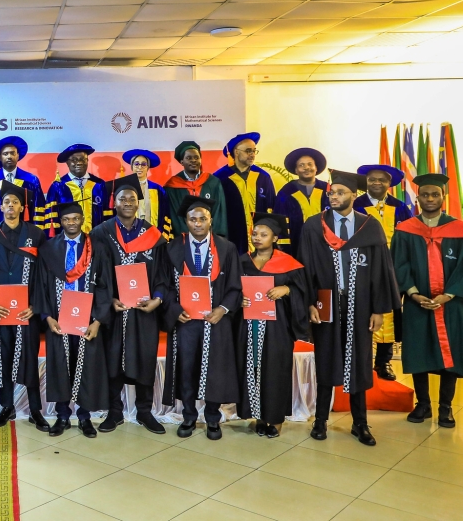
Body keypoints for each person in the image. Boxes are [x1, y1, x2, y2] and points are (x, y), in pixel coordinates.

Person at [298, 170, 399, 446]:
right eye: (331, 192)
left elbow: (381, 270)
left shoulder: (370, 226)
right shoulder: (313, 226)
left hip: (361, 304)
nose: (334, 197)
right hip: (326, 302)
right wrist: (308, 303)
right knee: (326, 357)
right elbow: (304, 268)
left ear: (354, 196)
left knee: (360, 360)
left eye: (340, 192)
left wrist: (378, 309)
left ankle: (360, 423)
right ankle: (320, 421)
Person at [91, 175, 168, 435]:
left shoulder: (153, 236)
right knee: (112, 359)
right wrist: (108, 300)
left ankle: (144, 411)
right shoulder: (100, 233)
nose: (127, 202)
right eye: (122, 198)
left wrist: (157, 298)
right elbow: (96, 275)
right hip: (114, 311)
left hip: (143, 312)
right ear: (114, 203)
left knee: (144, 359)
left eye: (132, 199)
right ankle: (114, 411)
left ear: (139, 203)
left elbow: (163, 275)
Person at [160, 196, 241, 440]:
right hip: (186, 321)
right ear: (186, 221)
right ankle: (188, 416)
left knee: (216, 368)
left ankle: (213, 418)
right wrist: (175, 311)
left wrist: (223, 309)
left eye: (202, 219)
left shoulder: (226, 248)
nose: (197, 223)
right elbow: (164, 285)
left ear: (211, 221)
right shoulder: (173, 247)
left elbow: (235, 286)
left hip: (214, 321)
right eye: (192, 219)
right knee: (187, 368)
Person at [34, 201, 113, 438]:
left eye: (75, 219)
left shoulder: (97, 247)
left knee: (87, 366)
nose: (71, 223)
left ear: (82, 220)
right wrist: (47, 317)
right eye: (66, 219)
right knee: (60, 366)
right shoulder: (49, 248)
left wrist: (98, 320)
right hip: (58, 319)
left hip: (87, 319)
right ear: (60, 222)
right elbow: (41, 286)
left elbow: (104, 286)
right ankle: (61, 415)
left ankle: (84, 417)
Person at [392, 173, 463, 428]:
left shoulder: (459, 229)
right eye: (425, 194)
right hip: (417, 303)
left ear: (443, 197)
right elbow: (399, 264)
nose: (430, 199)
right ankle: (423, 404)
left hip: (452, 304)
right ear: (417, 198)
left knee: (450, 354)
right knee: (418, 351)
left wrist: (449, 294)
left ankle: (446, 408)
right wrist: (412, 292)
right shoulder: (406, 230)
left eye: (435, 194)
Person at [0, 181, 51, 432]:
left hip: (25, 310)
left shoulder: (36, 234)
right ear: (1, 206)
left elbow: (44, 274)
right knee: (3, 357)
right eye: (6, 202)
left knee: (28, 356)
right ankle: (7, 406)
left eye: (15, 202)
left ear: (23, 207)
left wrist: (35, 305)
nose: (11, 206)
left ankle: (34, 409)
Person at [237, 213, 310, 438]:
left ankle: (275, 419)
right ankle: (258, 415)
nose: (257, 238)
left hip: (277, 327)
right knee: (253, 367)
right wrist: (238, 298)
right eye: (255, 234)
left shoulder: (289, 264)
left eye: (263, 234)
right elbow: (230, 288)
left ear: (275, 238)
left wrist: (287, 290)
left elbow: (304, 292)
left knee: (275, 369)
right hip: (248, 325)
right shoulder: (242, 261)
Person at [354, 164, 412, 382]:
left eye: (382, 180)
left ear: (390, 183)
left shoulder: (400, 207)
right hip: (361, 266)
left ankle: (383, 361)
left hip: (391, 268)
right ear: (366, 181)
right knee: (360, 311)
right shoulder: (355, 204)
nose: (376, 183)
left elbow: (408, 237)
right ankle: (360, 361)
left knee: (388, 313)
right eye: (372, 179)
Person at [214, 132, 277, 254]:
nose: (252, 154)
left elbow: (272, 208)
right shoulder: (220, 178)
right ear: (236, 152)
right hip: (231, 237)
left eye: (254, 151)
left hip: (261, 238)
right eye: (248, 151)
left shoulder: (263, 177)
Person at [0, 136, 47, 231]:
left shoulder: (31, 180)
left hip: (25, 233)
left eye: (12, 153)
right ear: (0, 157)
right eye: (5, 154)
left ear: (18, 156)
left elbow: (38, 210)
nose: (9, 156)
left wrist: (37, 234)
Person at [164, 141, 228, 239]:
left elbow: (219, 212)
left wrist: (211, 235)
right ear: (182, 162)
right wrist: (187, 236)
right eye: (189, 158)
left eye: (196, 157)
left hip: (210, 238)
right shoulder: (172, 187)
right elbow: (175, 216)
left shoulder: (213, 182)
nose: (193, 160)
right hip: (184, 239)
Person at [45, 144, 111, 236]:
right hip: (67, 241)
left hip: (97, 239)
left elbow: (108, 215)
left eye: (83, 159)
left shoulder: (99, 184)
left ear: (87, 161)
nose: (79, 163)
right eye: (74, 160)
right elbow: (51, 217)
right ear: (67, 163)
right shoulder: (58, 186)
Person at [275, 148, 329, 256]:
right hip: (297, 244)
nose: (306, 168)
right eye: (301, 165)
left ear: (316, 167)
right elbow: (279, 221)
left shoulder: (327, 189)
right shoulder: (286, 192)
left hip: (326, 244)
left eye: (310, 164)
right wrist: (284, 247)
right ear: (296, 170)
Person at [123, 149, 172, 239]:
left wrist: (161, 236)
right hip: (128, 236)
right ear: (132, 167)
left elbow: (165, 214)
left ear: (148, 167)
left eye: (144, 164)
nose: (140, 167)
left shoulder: (158, 190)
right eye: (136, 164)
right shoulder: (123, 189)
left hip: (153, 235)